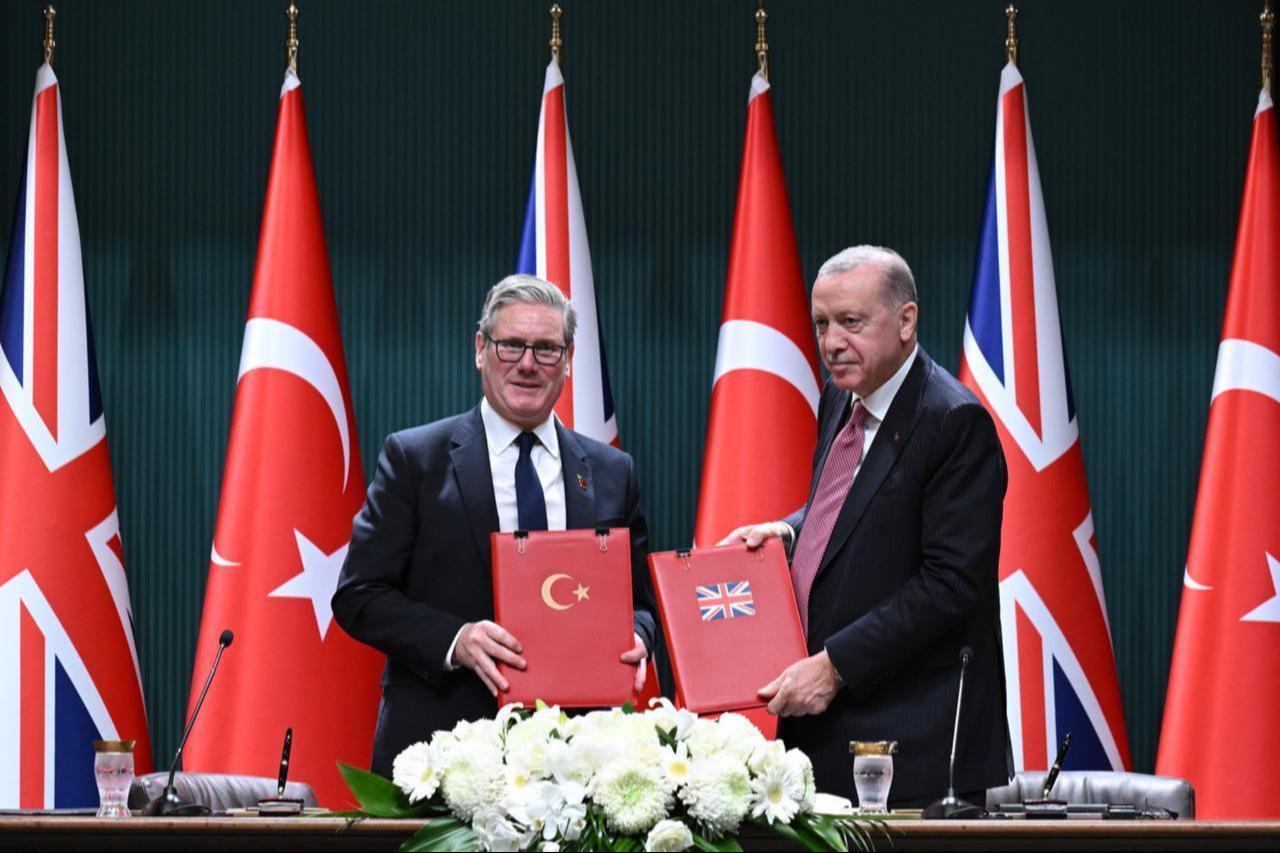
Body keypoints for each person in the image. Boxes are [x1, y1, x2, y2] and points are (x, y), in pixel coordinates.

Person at [333, 274, 657, 777]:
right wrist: (455, 639)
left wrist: (639, 634)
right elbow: (358, 595)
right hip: (440, 755)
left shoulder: (613, 471)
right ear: (480, 349)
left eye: (547, 349)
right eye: (511, 346)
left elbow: (641, 603)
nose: (528, 364)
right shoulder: (416, 459)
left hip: (576, 761)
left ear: (569, 360)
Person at [722, 246, 1011, 807]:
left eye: (851, 322)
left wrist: (833, 668)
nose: (831, 342)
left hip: (910, 746)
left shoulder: (954, 422)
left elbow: (950, 583)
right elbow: (854, 508)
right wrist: (788, 532)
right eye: (822, 324)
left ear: (906, 321)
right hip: (825, 731)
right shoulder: (842, 396)